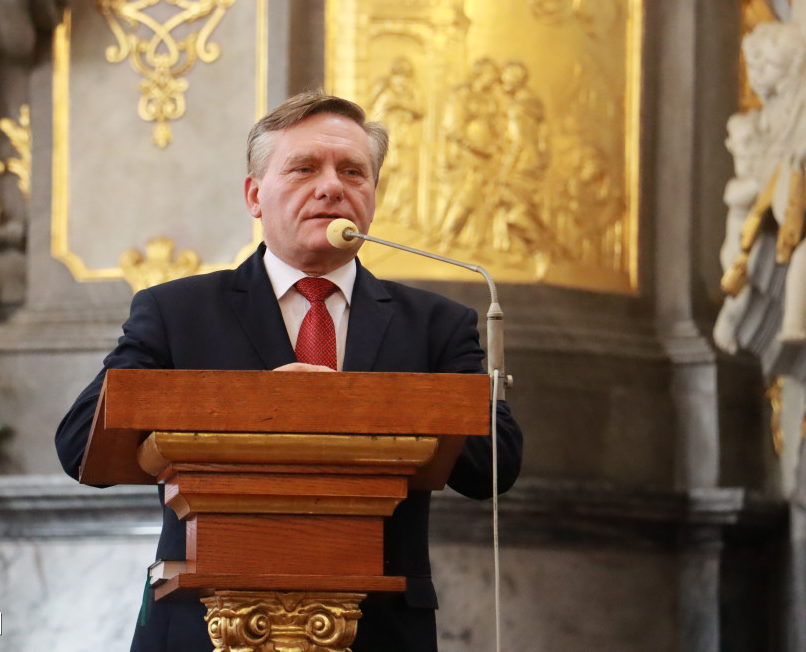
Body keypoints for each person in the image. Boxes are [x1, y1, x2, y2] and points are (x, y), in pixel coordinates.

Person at [56, 91, 523, 651]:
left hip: (379, 631)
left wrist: (349, 405)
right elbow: (80, 445)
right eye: (304, 169)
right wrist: (259, 404)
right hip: (201, 627)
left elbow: (494, 467)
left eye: (353, 171)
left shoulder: (435, 324)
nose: (332, 187)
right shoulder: (177, 312)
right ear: (254, 195)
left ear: (373, 195)